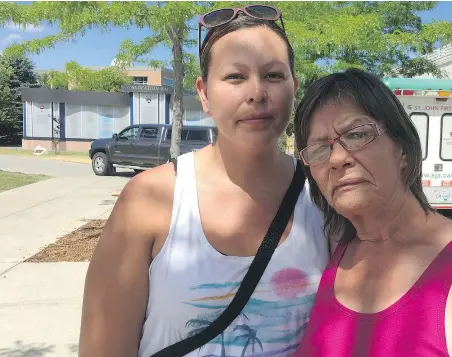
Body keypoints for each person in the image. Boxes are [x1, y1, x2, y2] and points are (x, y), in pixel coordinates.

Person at [78, 5, 329, 357]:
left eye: (273, 75)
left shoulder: (323, 197)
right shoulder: (150, 199)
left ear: (294, 86)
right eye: (235, 77)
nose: (257, 92)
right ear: (204, 93)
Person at [292, 68, 452, 357]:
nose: (338, 158)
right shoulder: (330, 254)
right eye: (318, 150)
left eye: (357, 134)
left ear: (401, 148)